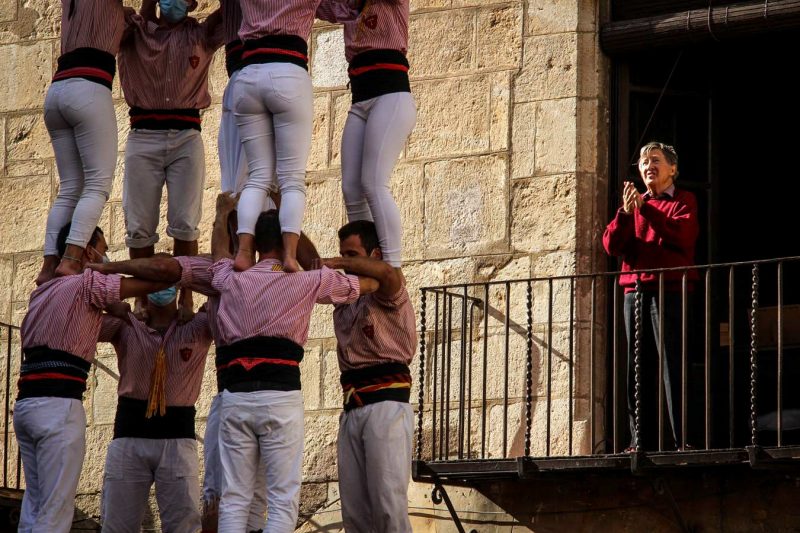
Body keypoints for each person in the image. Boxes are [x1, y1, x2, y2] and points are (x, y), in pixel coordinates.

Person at [209, 194, 378, 532]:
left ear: (253, 243)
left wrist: (222, 214)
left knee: (234, 499)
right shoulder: (307, 281)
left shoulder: (231, 278)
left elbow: (218, 254)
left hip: (236, 397)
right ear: (288, 240)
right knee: (283, 498)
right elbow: (371, 283)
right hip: (280, 397)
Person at [14, 224, 170, 533]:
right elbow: (156, 277)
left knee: (34, 507)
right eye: (103, 249)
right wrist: (112, 271)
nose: (106, 255)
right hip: (57, 408)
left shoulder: (41, 292)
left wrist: (119, 311)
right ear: (88, 252)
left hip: (27, 407)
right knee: (55, 513)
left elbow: (93, 324)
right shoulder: (85, 284)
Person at [118, 0, 223, 319]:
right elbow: (114, 12)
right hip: (143, 133)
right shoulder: (135, 31)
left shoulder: (200, 35)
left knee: (186, 223)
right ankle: (142, 299)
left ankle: (186, 299)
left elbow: (230, 12)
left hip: (185, 135)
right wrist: (147, 9)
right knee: (138, 225)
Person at [320, 220, 416, 533]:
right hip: (352, 408)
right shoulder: (348, 295)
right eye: (342, 255)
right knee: (355, 515)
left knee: (389, 507)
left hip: (385, 407)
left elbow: (388, 274)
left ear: (374, 254)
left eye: (352, 255)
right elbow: (308, 261)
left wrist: (337, 264)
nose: (346, 263)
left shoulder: (389, 289)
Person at [602, 141, 700, 451]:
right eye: (644, 162)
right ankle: (638, 440)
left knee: (673, 365)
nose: (648, 166)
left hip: (670, 290)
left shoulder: (684, 200)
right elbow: (612, 246)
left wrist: (647, 211)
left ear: (673, 169)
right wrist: (624, 213)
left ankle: (684, 441)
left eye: (655, 160)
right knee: (636, 368)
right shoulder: (635, 207)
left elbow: (682, 235)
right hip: (635, 291)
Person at [97, 280, 213, 532]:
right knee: (117, 526)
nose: (160, 286)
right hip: (129, 437)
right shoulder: (126, 326)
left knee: (183, 526)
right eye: (152, 279)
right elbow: (84, 317)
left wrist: (189, 292)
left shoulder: (198, 326)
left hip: (177, 440)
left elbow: (225, 292)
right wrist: (115, 299)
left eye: (167, 280)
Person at [35, 0, 132, 285]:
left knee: (70, 188)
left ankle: (49, 264)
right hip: (88, 86)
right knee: (97, 185)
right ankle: (72, 259)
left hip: (57, 91)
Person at [316, 0, 415, 268]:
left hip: (390, 94)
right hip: (360, 98)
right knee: (351, 187)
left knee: (373, 182)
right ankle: (365, 264)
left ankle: (392, 269)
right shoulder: (346, 5)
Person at [231, 0, 324, 273]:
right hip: (287, 70)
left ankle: (244, 253)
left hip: (247, 75)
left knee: (257, 177)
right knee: (291, 179)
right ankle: (290, 257)